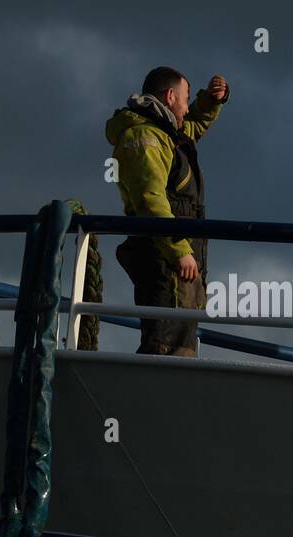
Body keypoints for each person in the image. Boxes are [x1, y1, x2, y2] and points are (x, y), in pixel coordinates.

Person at [106, 67, 230, 356]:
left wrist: (211, 101)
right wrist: (179, 250)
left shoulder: (166, 131)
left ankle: (166, 394)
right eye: (186, 99)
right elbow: (151, 200)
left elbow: (195, 124)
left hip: (178, 258)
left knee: (180, 343)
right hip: (165, 260)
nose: (187, 108)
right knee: (164, 344)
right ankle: (153, 396)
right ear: (171, 96)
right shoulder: (147, 138)